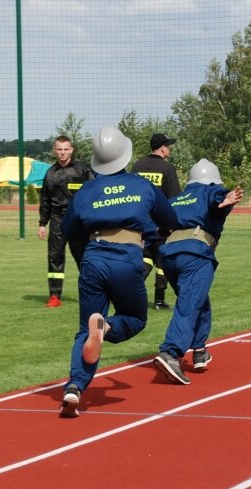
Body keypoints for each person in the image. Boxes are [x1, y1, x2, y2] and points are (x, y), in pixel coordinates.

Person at [59, 126, 177, 418]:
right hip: (127, 258)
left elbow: (67, 230)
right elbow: (169, 218)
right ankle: (108, 328)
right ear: (124, 155)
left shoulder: (86, 190)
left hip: (94, 258)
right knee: (135, 319)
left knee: (85, 329)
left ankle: (74, 387)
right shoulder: (142, 185)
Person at [153, 159, 243, 385]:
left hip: (169, 255)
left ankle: (200, 349)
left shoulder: (177, 199)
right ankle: (171, 353)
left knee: (198, 300)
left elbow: (158, 226)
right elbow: (216, 199)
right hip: (195, 252)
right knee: (189, 304)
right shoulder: (211, 190)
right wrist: (226, 198)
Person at [38, 136, 92, 308]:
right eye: (59, 149)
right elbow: (45, 200)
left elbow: (92, 194)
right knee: (55, 257)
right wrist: (42, 223)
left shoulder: (82, 170)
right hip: (57, 219)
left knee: (83, 258)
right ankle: (54, 296)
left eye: (65, 149)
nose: (62, 153)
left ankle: (90, 293)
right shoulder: (50, 173)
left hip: (77, 219)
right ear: (54, 150)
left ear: (71, 149)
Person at [131, 133, 182, 310]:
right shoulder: (167, 168)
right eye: (168, 146)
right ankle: (159, 300)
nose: (170, 149)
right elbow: (174, 199)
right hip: (161, 225)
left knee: (146, 258)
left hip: (141, 224)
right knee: (162, 262)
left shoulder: (137, 165)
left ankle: (131, 294)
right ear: (162, 148)